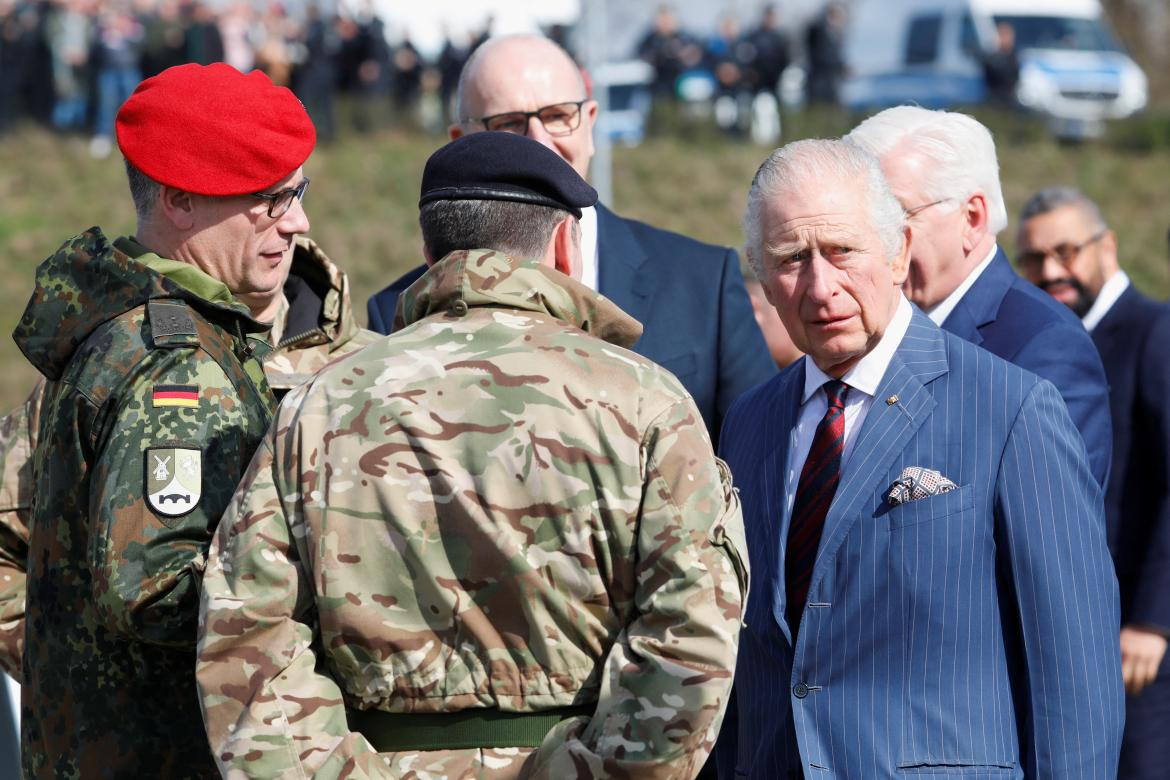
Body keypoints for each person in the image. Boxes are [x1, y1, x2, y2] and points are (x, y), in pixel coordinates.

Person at [196, 131, 748, 778]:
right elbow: (691, 632)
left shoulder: (319, 405)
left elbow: (247, 633)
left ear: (427, 252)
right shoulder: (647, 401)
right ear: (563, 245)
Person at [715, 138, 1123, 778]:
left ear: (899, 251)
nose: (821, 287)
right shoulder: (749, 424)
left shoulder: (1011, 410)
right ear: (762, 278)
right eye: (792, 259)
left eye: (842, 251)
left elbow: (1076, 674)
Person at [11, 62, 315, 777]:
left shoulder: (128, 322)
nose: (295, 222)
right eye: (268, 200)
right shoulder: (174, 365)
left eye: (298, 194)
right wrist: (331, 596)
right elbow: (155, 586)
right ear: (179, 200)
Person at [366, 34, 777, 447]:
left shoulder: (704, 283)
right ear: (460, 142)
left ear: (591, 121)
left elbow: (760, 457)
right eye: (508, 124)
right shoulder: (398, 313)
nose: (540, 143)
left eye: (559, 115)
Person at [845, 106, 1112, 488]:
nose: (872, 243)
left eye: (893, 216)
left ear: (971, 218)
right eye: (861, 223)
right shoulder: (861, 331)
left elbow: (1054, 532)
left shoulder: (1045, 348)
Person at [1017, 187, 1170, 779]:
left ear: (1106, 246)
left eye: (1067, 251)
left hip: (1138, 640)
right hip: (1069, 634)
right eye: (1034, 259)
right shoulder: (1042, 342)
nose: (1052, 271)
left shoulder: (1153, 332)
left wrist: (1154, 621)